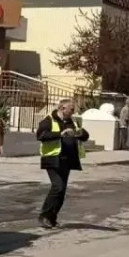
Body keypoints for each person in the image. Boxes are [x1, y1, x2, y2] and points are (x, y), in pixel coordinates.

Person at [36, 98, 89, 229]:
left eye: (74, 109)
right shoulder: (49, 120)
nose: (73, 111)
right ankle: (44, 215)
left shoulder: (73, 121)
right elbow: (41, 135)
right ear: (62, 108)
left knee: (62, 191)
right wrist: (60, 134)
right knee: (57, 187)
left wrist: (78, 133)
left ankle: (52, 218)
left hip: (67, 159)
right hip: (52, 158)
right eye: (71, 109)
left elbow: (85, 136)